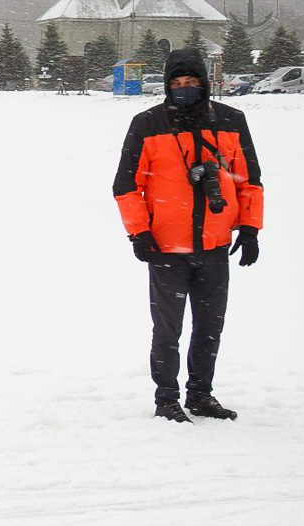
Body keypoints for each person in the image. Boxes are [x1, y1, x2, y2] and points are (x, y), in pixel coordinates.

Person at [112, 48, 264, 423]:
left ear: (204, 83)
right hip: (166, 247)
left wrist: (250, 227)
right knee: (168, 329)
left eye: (191, 82)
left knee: (210, 326)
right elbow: (125, 185)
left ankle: (200, 394)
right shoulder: (147, 123)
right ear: (167, 86)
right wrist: (139, 232)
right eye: (176, 84)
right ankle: (167, 398)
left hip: (215, 246)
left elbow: (250, 181)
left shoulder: (231, 121)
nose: (183, 89)